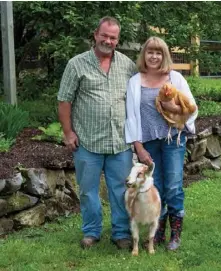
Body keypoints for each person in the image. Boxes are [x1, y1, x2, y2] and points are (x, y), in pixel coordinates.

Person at [57, 16, 136, 250]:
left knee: (120, 189)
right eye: (105, 35)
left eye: (113, 37)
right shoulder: (76, 64)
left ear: (117, 40)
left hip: (119, 142)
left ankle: (121, 233)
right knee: (88, 191)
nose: (108, 41)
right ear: (95, 35)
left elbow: (136, 98)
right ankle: (91, 232)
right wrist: (68, 132)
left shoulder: (127, 65)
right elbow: (64, 100)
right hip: (87, 142)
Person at [125, 37, 198, 251]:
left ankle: (175, 235)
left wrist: (173, 110)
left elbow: (191, 107)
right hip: (148, 143)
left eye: (158, 53)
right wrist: (138, 147)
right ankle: (157, 233)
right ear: (144, 55)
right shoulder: (135, 81)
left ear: (164, 55)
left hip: (173, 140)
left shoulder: (175, 79)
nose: (154, 56)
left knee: (173, 186)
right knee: (155, 186)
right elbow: (131, 117)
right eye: (150, 52)